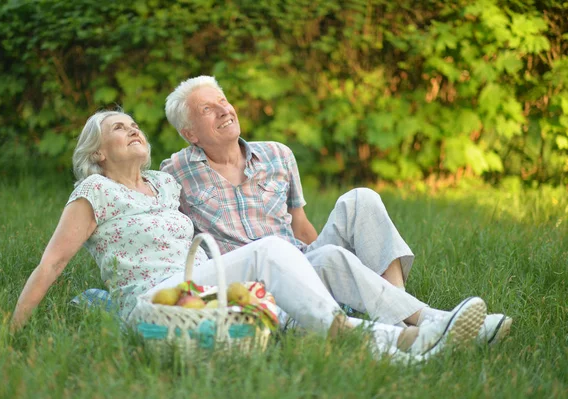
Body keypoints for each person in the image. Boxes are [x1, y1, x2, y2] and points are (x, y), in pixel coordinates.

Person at [11, 110, 488, 363]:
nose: (133, 129)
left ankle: (425, 325)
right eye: (119, 127)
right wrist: (13, 335)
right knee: (272, 251)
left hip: (201, 284)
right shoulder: (94, 191)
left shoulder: (164, 184)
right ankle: (365, 336)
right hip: (154, 299)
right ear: (97, 153)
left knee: (326, 262)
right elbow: (51, 264)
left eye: (134, 124)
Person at [161, 76, 512, 344]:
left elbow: (301, 227)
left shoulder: (278, 155)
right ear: (189, 132)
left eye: (223, 101)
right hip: (260, 288)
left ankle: (405, 312)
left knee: (361, 198)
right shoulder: (174, 173)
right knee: (328, 256)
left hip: (307, 262)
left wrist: (320, 257)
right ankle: (431, 322)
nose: (225, 110)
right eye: (208, 109)